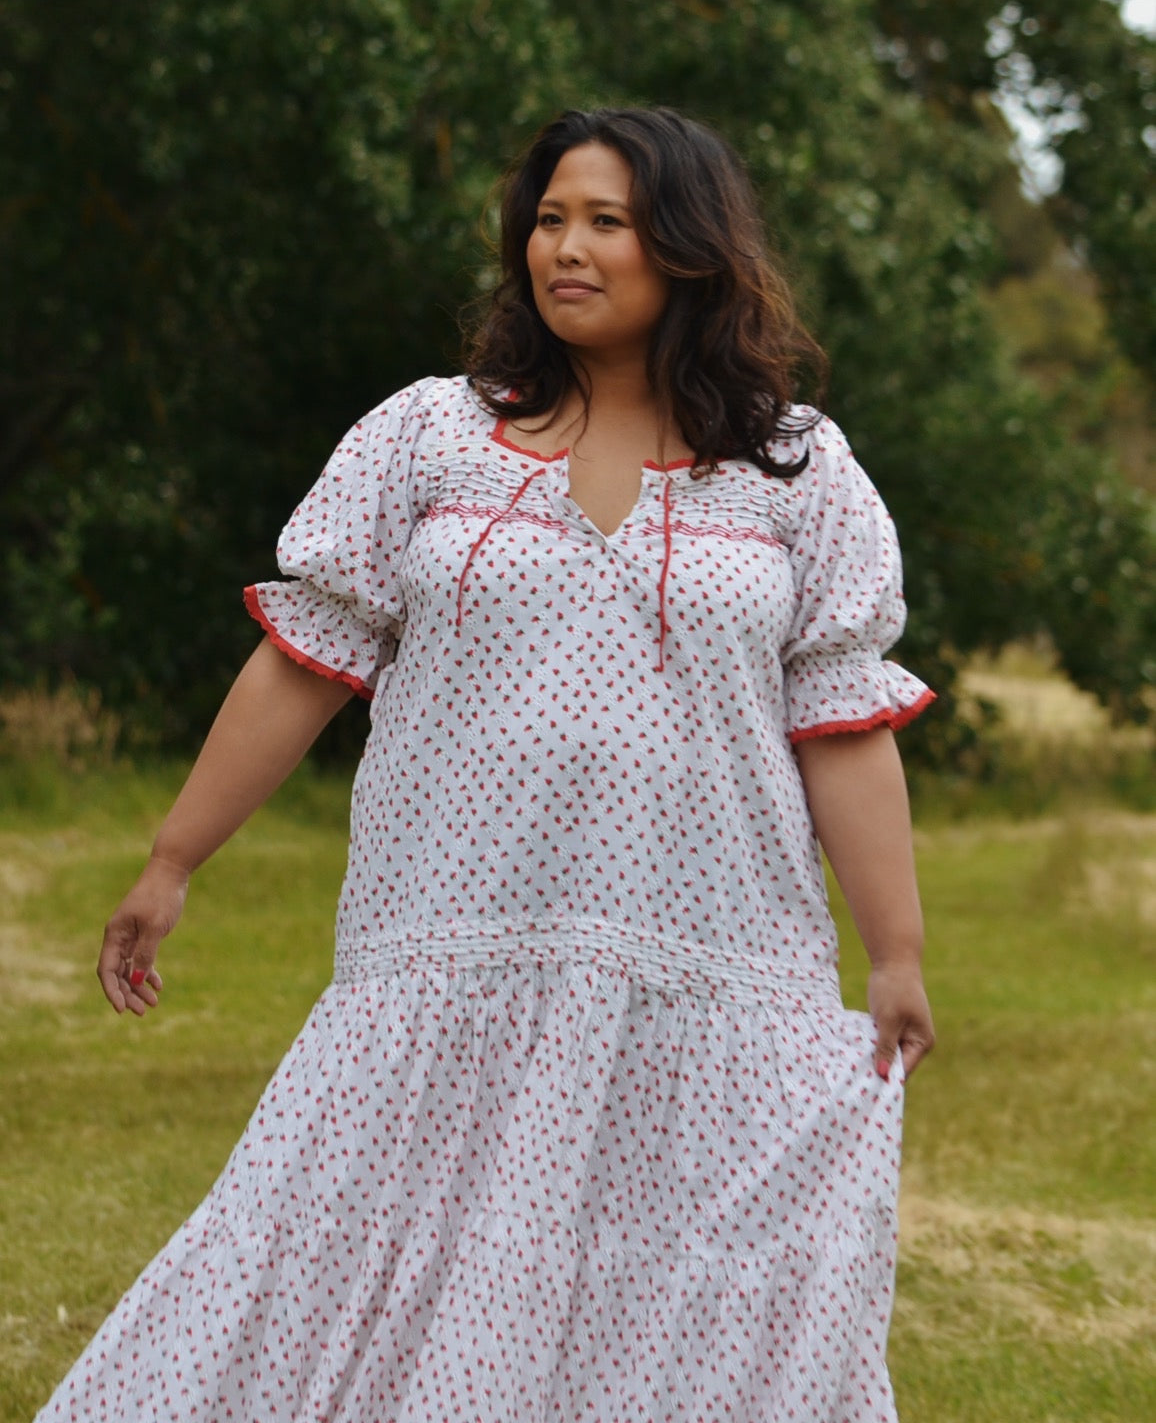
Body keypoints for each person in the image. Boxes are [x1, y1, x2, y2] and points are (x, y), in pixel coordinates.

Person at [37, 105, 935, 1423]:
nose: (564, 249)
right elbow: (304, 661)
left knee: (677, 1290)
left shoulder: (795, 471)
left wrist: (896, 949)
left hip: (711, 969)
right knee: (352, 1260)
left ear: (687, 249)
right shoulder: (424, 437)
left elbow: (842, 724)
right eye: (548, 222)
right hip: (448, 944)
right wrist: (173, 860)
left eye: (606, 224)